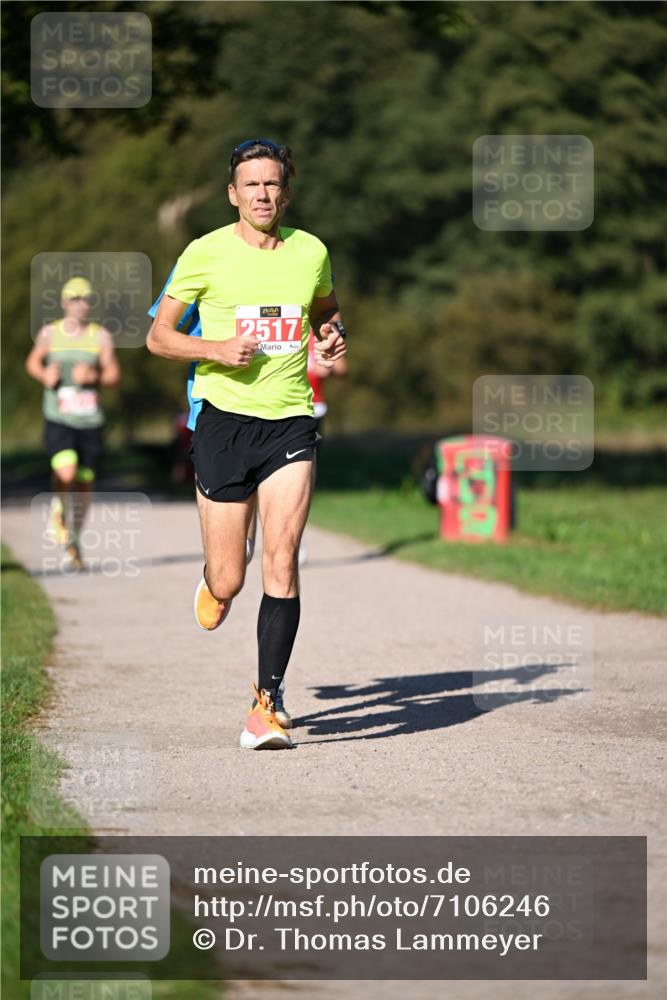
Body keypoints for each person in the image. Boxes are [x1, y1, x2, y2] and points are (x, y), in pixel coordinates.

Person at [147, 139, 346, 750]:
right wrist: (214, 350)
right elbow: (158, 337)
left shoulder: (310, 251)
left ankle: (266, 703)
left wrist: (332, 341)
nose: (263, 194)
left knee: (281, 562)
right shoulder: (203, 253)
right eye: (250, 185)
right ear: (233, 193)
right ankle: (214, 580)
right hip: (224, 424)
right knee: (232, 580)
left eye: (272, 184)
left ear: (286, 190)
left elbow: (328, 313)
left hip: (290, 421)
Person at [25, 277, 121, 569]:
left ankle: (73, 540)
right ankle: (58, 509)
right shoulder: (49, 333)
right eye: (75, 299)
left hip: (90, 421)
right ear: (64, 302)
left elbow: (114, 375)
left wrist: (94, 377)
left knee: (83, 483)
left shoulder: (100, 336)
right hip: (59, 417)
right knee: (65, 472)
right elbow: (32, 362)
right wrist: (45, 376)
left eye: (85, 299)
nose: (80, 305)